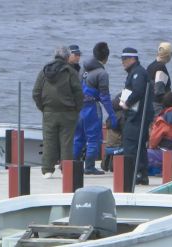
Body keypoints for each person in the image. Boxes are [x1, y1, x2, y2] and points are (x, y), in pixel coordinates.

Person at [33, 46, 83, 178]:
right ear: (67, 57)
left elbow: (36, 92)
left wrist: (43, 107)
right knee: (67, 142)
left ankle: (47, 170)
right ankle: (66, 170)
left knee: (49, 140)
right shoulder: (70, 72)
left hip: (49, 112)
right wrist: (77, 109)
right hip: (68, 113)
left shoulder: (44, 71)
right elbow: (78, 92)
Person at [73, 42, 117, 175]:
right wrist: (112, 114)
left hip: (78, 107)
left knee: (77, 138)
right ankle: (89, 166)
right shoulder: (102, 73)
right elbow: (104, 97)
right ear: (106, 58)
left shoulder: (83, 68)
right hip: (91, 107)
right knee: (93, 138)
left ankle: (72, 165)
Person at [120, 47, 154, 185]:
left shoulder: (138, 73)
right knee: (137, 145)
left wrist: (127, 103)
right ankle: (140, 173)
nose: (123, 63)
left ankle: (136, 173)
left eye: (125, 60)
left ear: (132, 59)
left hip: (137, 115)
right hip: (135, 115)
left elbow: (138, 91)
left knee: (132, 145)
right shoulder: (134, 72)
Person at [147, 42, 172, 117]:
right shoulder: (161, 68)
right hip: (157, 105)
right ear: (168, 55)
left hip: (149, 101)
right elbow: (159, 90)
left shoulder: (151, 65)